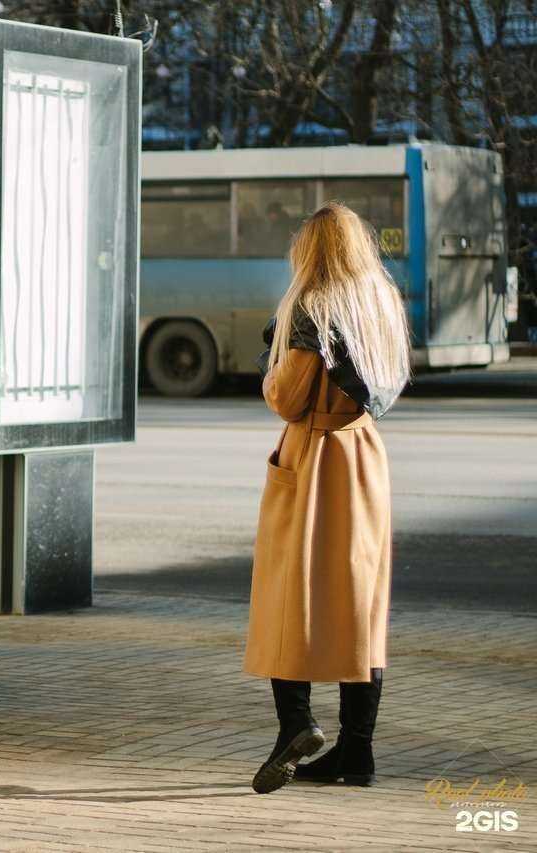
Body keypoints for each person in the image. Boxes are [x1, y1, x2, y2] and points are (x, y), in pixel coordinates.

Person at [244, 202, 410, 795]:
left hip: (313, 454)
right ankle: (356, 754)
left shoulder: (313, 309)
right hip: (364, 456)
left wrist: (272, 366)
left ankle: (297, 723)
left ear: (311, 252)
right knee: (360, 605)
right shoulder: (382, 304)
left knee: (288, 598)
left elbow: (286, 397)